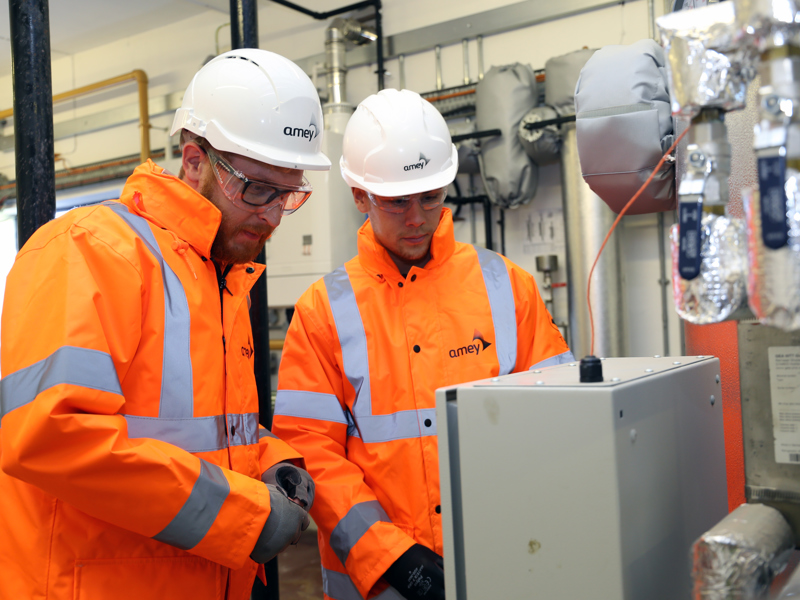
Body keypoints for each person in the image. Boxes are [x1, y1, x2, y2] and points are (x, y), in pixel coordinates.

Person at [0, 48, 327, 600]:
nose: (272, 215)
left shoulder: (222, 278)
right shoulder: (87, 250)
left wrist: (273, 464)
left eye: (288, 193)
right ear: (194, 159)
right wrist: (244, 514)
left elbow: (208, 430)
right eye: (257, 189)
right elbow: (47, 436)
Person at [272, 88, 574, 600]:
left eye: (431, 197)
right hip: (381, 585)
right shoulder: (323, 311)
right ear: (360, 196)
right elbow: (309, 453)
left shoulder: (507, 287)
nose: (417, 218)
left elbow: (560, 422)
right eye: (396, 202)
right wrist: (389, 556)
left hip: (506, 566)